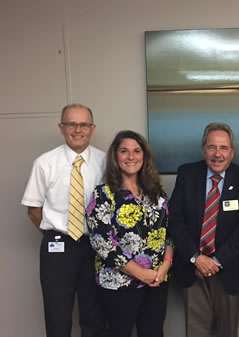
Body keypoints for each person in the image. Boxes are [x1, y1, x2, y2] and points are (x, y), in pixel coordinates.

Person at [21, 103, 107, 337]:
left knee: (95, 314)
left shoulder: (106, 162)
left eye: (83, 124)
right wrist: (56, 233)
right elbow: (33, 210)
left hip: (96, 247)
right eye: (71, 124)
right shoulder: (45, 162)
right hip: (58, 247)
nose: (77, 130)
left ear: (92, 128)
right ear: (61, 127)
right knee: (57, 316)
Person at [169, 122, 239, 337]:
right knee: (195, 331)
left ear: (232, 152)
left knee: (227, 331)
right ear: (203, 149)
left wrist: (214, 262)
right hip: (192, 268)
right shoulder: (187, 174)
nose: (218, 154)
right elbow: (175, 220)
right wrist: (196, 258)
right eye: (212, 147)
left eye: (223, 148)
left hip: (227, 269)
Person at [86, 130, 173, 337]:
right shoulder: (103, 194)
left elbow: (168, 233)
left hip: (156, 280)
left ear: (144, 155)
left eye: (136, 151)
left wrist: (165, 266)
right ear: (115, 157)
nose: (131, 157)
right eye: (124, 151)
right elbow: (102, 242)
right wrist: (139, 273)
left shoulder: (157, 192)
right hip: (118, 284)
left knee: (153, 332)